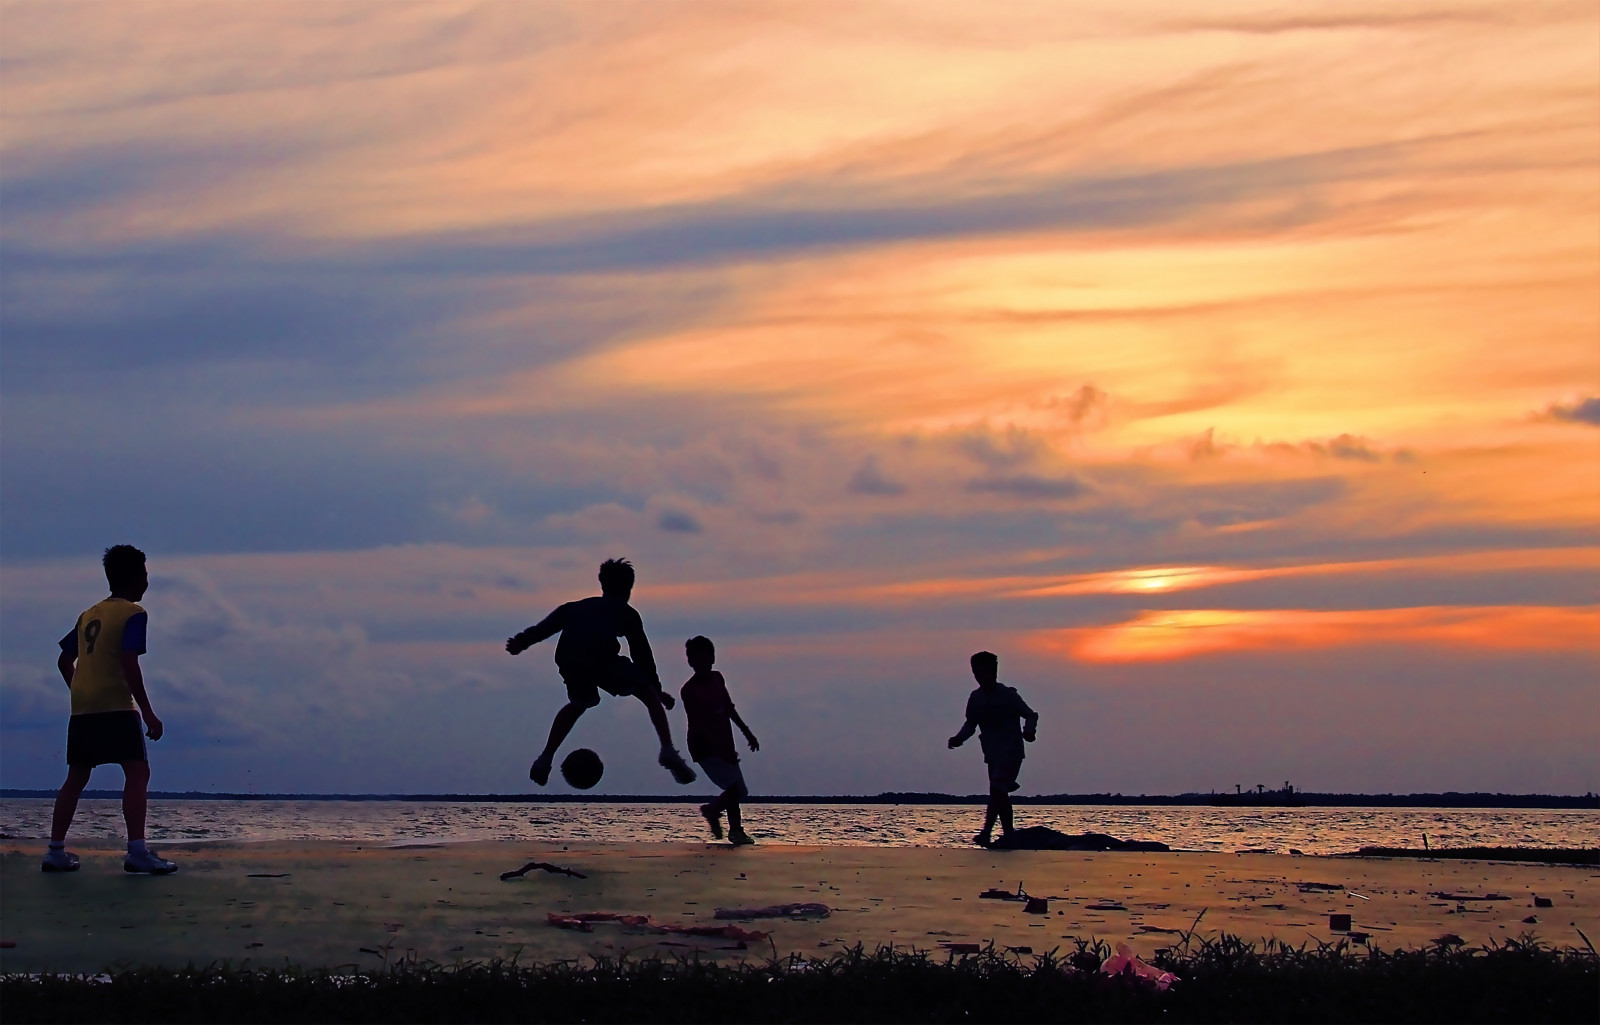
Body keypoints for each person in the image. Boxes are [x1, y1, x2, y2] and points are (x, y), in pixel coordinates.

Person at [44, 545, 176, 875]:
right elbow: (129, 662)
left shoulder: (89, 614)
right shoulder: (133, 614)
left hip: (82, 708)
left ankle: (55, 851)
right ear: (135, 579)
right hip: (116, 705)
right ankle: (137, 851)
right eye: (145, 574)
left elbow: (64, 660)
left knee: (75, 777)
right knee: (137, 772)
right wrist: (148, 712)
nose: (147, 581)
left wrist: (81, 689)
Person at [507, 558, 696, 786]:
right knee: (647, 693)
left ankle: (545, 757)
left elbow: (544, 628)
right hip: (601, 658)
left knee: (579, 704)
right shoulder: (626, 612)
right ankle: (667, 749)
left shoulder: (573, 607)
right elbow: (642, 655)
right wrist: (656, 690)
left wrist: (521, 642)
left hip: (570, 660)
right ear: (629, 589)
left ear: (602, 585)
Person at [948, 650, 1038, 847]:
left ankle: (987, 832)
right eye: (975, 673)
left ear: (994, 671)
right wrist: (958, 739)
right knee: (999, 794)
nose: (979, 677)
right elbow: (970, 724)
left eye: (983, 672)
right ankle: (1008, 834)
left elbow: (1030, 714)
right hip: (991, 753)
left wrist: (1029, 731)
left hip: (1011, 751)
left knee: (997, 788)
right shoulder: (976, 698)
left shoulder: (1007, 695)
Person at [680, 635, 759, 846]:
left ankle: (735, 830)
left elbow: (729, 708)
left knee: (737, 790)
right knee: (735, 788)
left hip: (725, 743)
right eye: (695, 659)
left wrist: (747, 732)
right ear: (690, 662)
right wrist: (717, 748)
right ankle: (713, 810)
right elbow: (699, 724)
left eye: (705, 658)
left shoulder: (717, 678)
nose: (701, 664)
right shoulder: (689, 691)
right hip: (705, 746)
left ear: (712, 659)